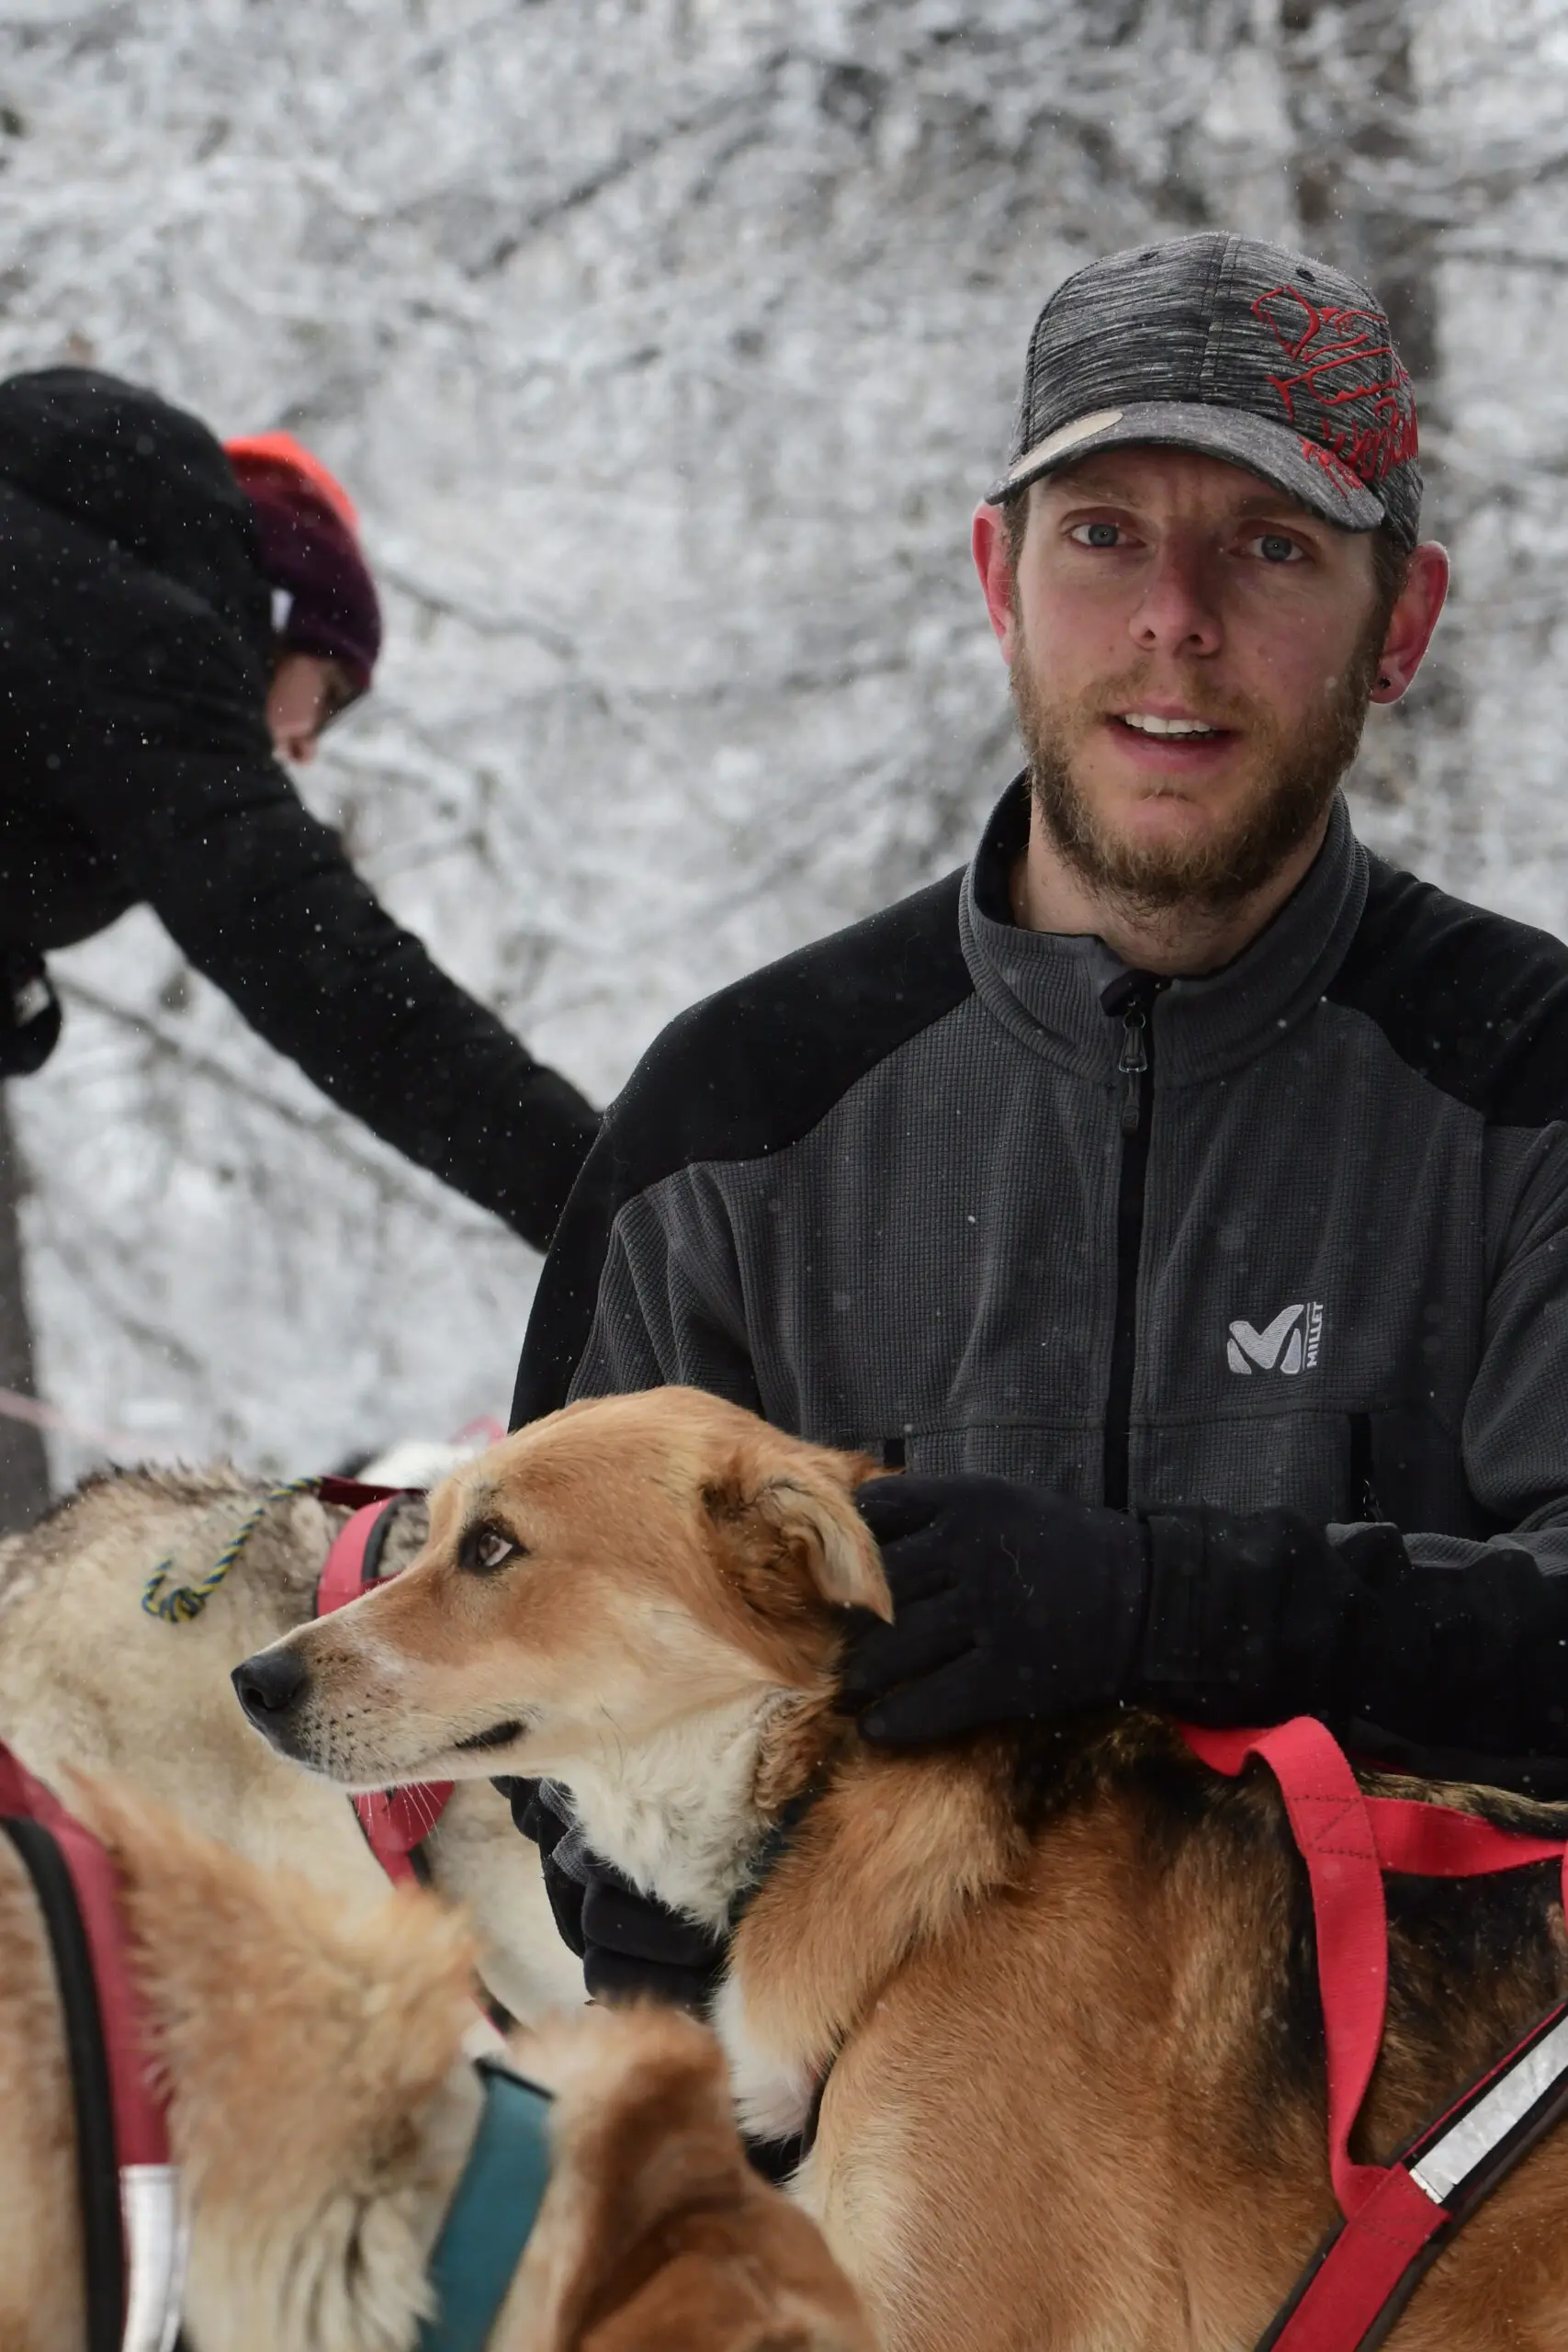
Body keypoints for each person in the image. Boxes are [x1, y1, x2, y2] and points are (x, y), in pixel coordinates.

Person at [502, 230, 1568, 2013]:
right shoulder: (737, 1121)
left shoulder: (1526, 1082)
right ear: (997, 572)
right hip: (879, 2227)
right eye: (1101, 534)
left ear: (1401, 624)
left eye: (1270, 545)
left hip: (1436, 2221)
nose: (1174, 617)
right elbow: (554, 1718)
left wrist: (1161, 1604)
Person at [0, 368, 596, 1246]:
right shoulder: (151, 652)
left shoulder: (60, 592)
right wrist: (595, 1192)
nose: (307, 744)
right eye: (333, 692)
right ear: (284, 616)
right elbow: (330, 978)